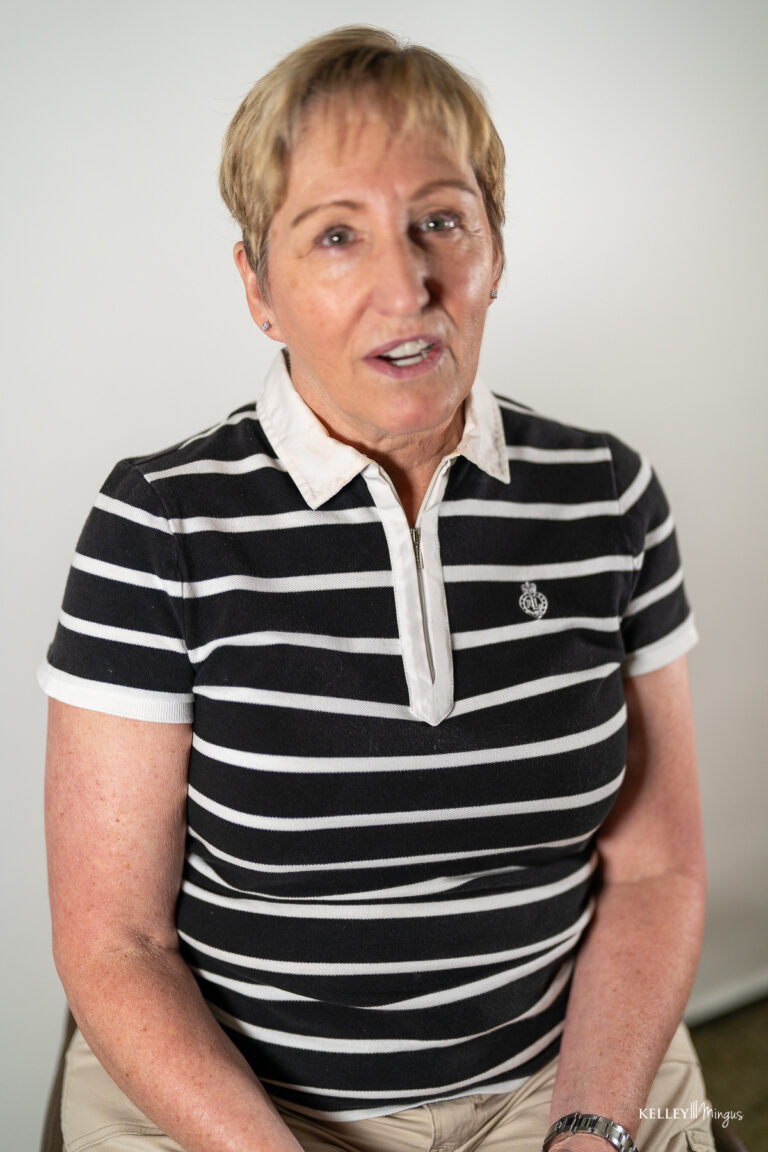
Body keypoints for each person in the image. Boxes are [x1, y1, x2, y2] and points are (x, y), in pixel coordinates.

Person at [40, 26, 713, 1152]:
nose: (407, 285)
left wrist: (591, 1130)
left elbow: (655, 870)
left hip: (558, 1080)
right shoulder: (158, 524)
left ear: (497, 246)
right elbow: (117, 944)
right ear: (258, 284)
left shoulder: (609, 497)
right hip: (242, 1110)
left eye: (440, 221)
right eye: (337, 236)